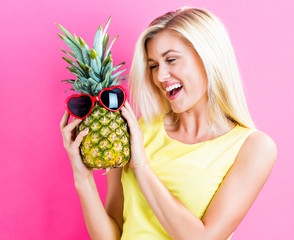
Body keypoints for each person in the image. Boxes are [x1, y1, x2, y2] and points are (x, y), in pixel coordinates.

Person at [60, 6, 277, 240]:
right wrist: (83, 178)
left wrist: (141, 165)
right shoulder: (136, 131)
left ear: (209, 57)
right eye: (153, 66)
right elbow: (112, 235)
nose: (160, 76)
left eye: (171, 60)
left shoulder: (253, 148)